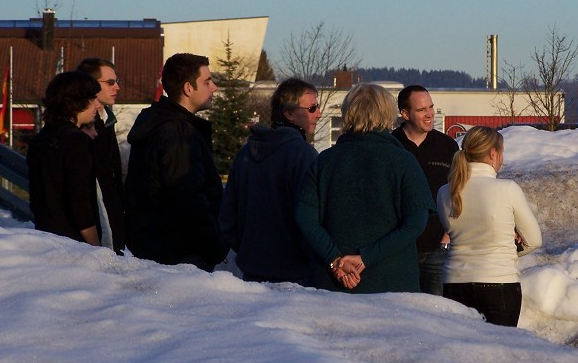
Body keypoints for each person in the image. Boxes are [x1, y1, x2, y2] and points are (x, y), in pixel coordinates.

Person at [295, 83, 434, 293]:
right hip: (393, 287)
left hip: (330, 286)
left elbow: (304, 218)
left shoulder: (324, 162)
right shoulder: (404, 162)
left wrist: (335, 260)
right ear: (387, 114)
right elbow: (415, 224)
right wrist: (367, 258)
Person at [124, 53, 226, 271]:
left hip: (160, 249)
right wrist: (213, 246)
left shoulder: (161, 123)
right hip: (180, 255)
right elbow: (187, 196)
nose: (214, 87)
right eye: (207, 82)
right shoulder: (177, 132)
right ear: (188, 89)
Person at [436, 126, 542, 327]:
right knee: (498, 353)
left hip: (454, 282)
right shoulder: (507, 189)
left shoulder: (444, 192)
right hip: (498, 283)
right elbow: (534, 240)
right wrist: (506, 247)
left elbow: (458, 233)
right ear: (493, 154)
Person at [220, 78, 320, 283]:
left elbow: (228, 218)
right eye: (312, 108)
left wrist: (250, 251)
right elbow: (312, 217)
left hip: (252, 274)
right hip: (296, 277)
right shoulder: (303, 155)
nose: (318, 113)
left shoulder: (245, 153)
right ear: (289, 113)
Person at [392, 85, 459, 296]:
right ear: (405, 113)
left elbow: (459, 190)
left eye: (431, 107)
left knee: (438, 313)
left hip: (438, 248)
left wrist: (448, 235)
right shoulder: (391, 146)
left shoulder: (448, 146)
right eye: (422, 110)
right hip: (400, 249)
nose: (429, 114)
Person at [27, 71, 103, 246]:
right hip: (74, 243)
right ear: (76, 102)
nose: (97, 106)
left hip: (46, 239)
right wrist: (96, 247)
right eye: (93, 100)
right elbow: (80, 202)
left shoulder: (40, 140)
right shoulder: (76, 142)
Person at [75, 58, 126, 254]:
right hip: (94, 237)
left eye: (117, 81)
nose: (117, 87)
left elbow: (113, 176)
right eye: (110, 82)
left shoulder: (106, 119)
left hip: (113, 225)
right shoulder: (82, 128)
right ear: (90, 84)